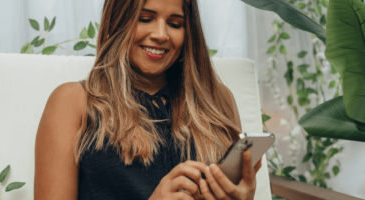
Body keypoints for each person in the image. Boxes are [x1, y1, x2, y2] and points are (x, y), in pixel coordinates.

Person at [34, 0, 262, 199]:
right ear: (118, 20)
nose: (161, 34)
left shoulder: (218, 101)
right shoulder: (73, 102)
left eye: (175, 24)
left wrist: (243, 196)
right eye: (145, 18)